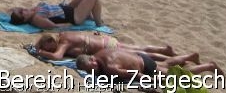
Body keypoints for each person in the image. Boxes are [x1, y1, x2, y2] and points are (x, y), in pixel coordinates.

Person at [76, 49, 220, 81]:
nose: (94, 70)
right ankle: (190, 56)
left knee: (174, 76)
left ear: (92, 60)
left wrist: (153, 81)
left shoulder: (110, 68)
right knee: (166, 64)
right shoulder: (100, 52)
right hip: (140, 57)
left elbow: (135, 75)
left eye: (92, 67)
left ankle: (209, 66)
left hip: (144, 67)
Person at [35, 32, 175, 62]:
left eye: (48, 47)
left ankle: (170, 55)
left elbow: (57, 57)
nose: (50, 50)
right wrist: (39, 46)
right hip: (106, 40)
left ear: (50, 40)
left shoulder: (63, 42)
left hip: (108, 47)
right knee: (139, 49)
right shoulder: (63, 34)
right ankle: (164, 50)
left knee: (141, 54)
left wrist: (40, 52)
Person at [9, 0, 103, 28]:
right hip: (74, 16)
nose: (23, 9)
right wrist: (67, 25)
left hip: (68, 8)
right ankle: (99, 23)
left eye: (21, 9)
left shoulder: (33, 11)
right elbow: (52, 26)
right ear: (25, 19)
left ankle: (89, 16)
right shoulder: (36, 18)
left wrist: (14, 11)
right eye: (21, 12)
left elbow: (14, 10)